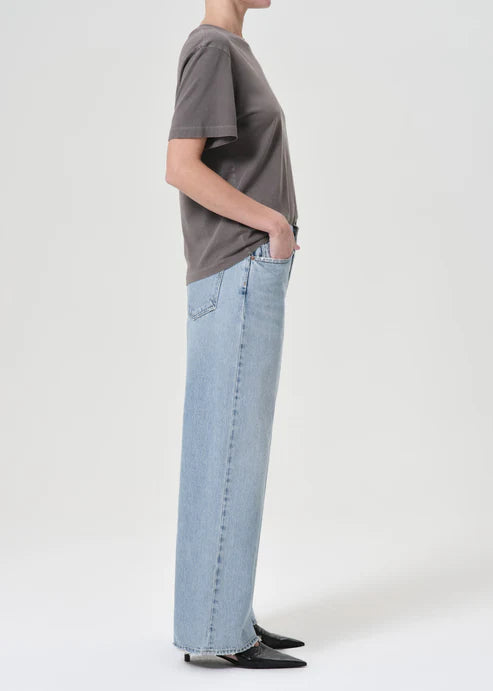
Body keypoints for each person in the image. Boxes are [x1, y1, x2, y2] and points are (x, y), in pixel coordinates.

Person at [166, 0, 306, 670]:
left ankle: (221, 613)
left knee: (225, 452)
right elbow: (181, 165)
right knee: (230, 453)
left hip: (236, 273)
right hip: (240, 270)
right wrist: (273, 223)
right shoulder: (214, 49)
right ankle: (221, 632)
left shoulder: (226, 49)